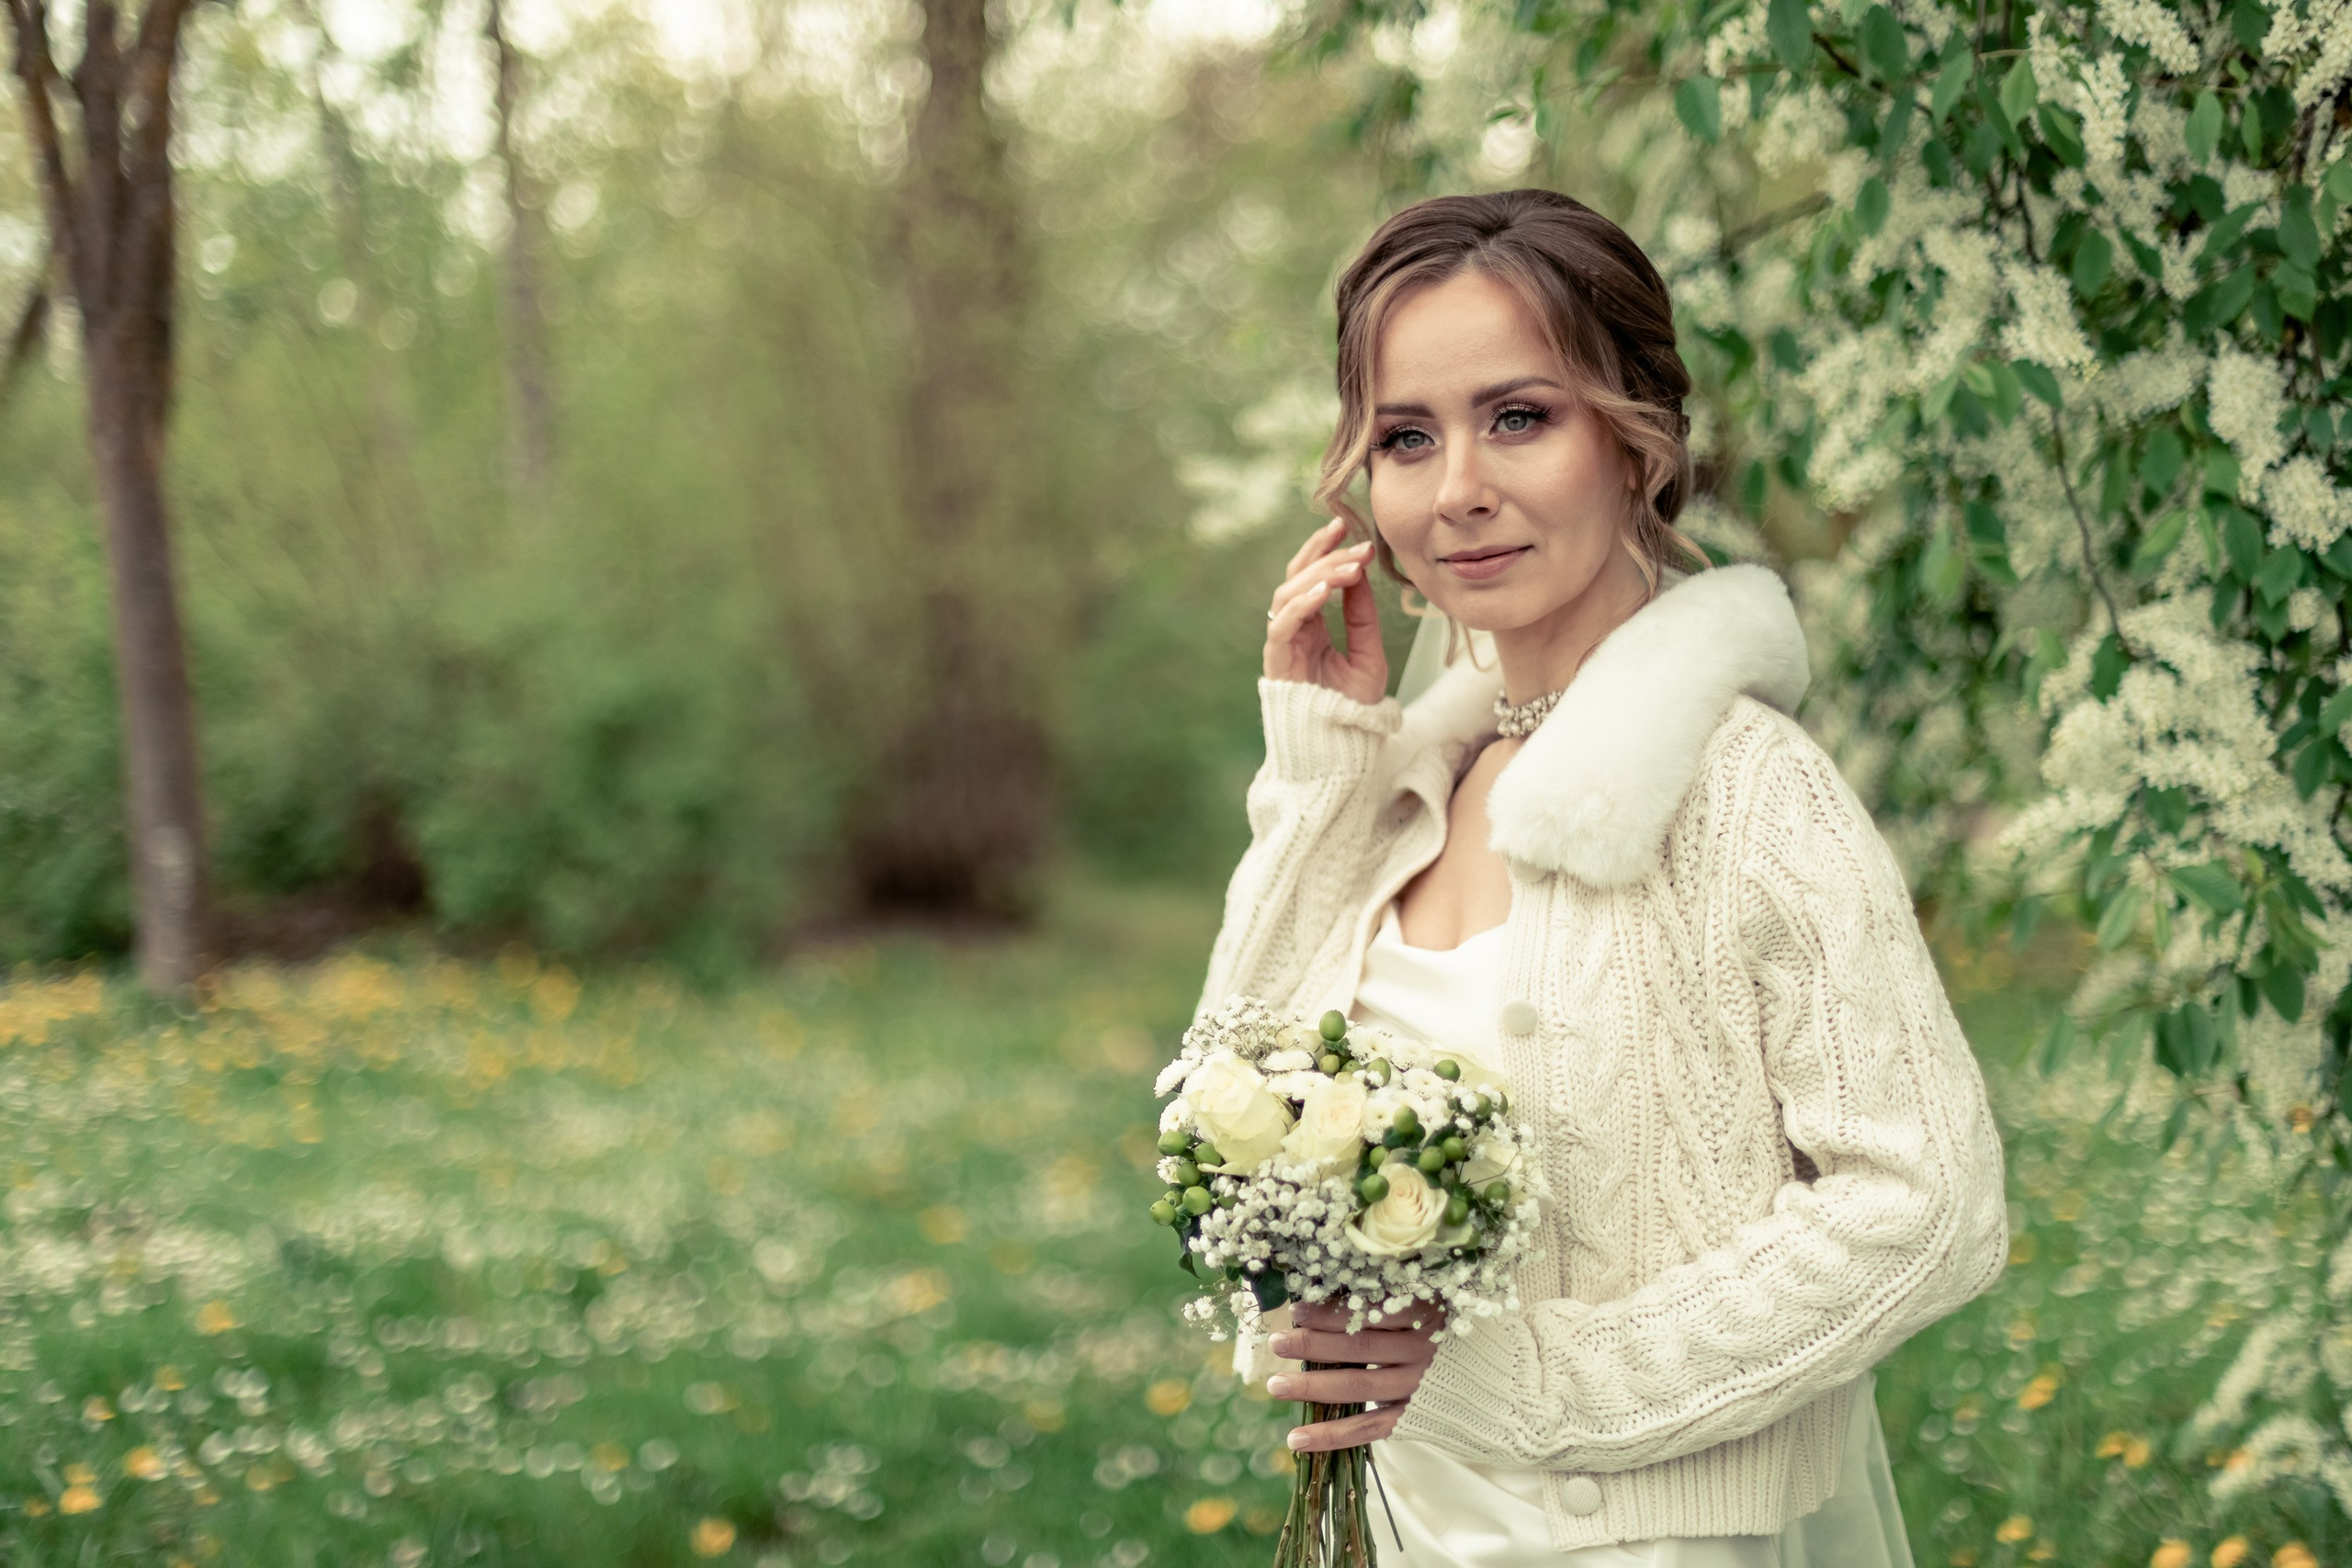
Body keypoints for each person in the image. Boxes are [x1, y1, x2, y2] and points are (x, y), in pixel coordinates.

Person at [1201, 189, 2010, 1566]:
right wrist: (1324, 760)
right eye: (1407, 436)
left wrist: (1536, 1387)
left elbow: (1927, 1206)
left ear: (1637, 441)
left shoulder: (1745, 789)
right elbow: (1231, 1095)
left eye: (1520, 416)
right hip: (1408, 1526)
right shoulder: (1418, 778)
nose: (1457, 486)